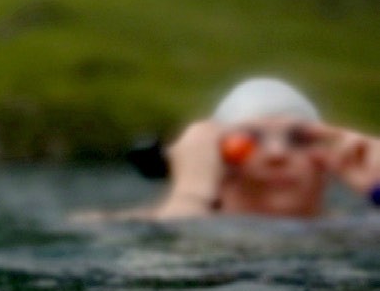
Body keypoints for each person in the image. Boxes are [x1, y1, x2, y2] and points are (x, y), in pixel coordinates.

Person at [152, 77, 380, 219]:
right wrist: (192, 191)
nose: (277, 154)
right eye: (250, 139)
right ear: (214, 156)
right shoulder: (140, 225)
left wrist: (377, 188)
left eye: (299, 139)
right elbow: (162, 272)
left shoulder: (360, 232)